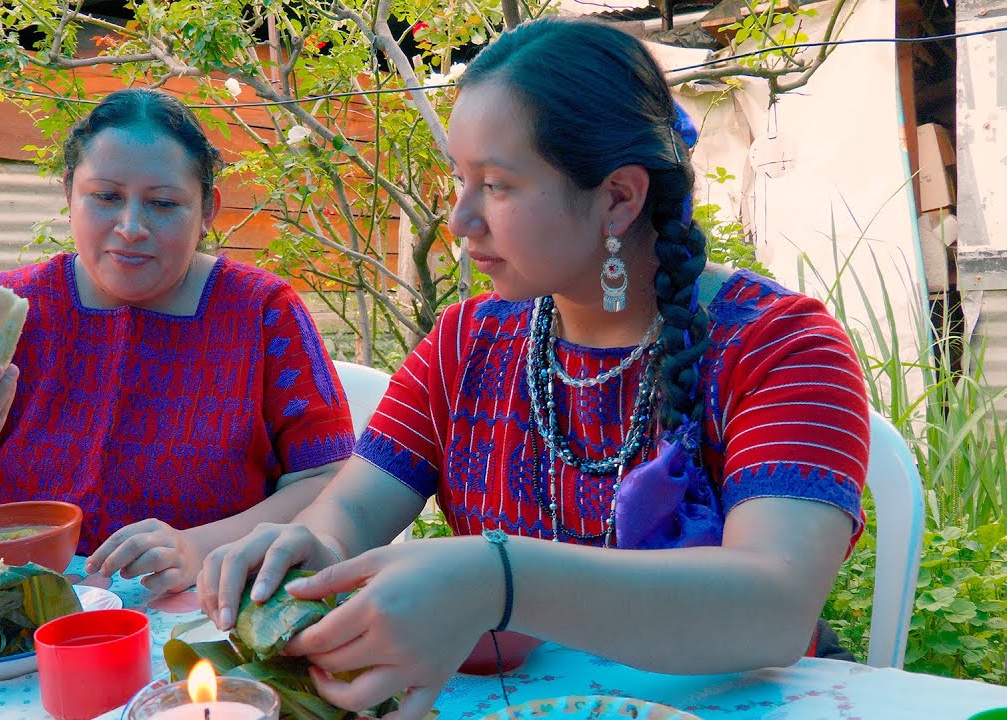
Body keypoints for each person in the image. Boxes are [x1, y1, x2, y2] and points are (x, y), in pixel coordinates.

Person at [198, 16, 870, 720]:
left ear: (618, 196)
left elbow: (774, 609)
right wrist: (313, 543)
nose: (459, 221)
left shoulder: (780, 349)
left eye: (496, 185)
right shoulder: (467, 343)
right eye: (460, 180)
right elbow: (356, 506)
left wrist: (498, 579)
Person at [0, 88, 356, 596]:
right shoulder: (11, 310)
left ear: (208, 208)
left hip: (206, 614)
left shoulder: (263, 312)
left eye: (164, 203)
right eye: (105, 197)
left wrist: (200, 547)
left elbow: (328, 480)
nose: (130, 228)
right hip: (16, 614)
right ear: (69, 195)